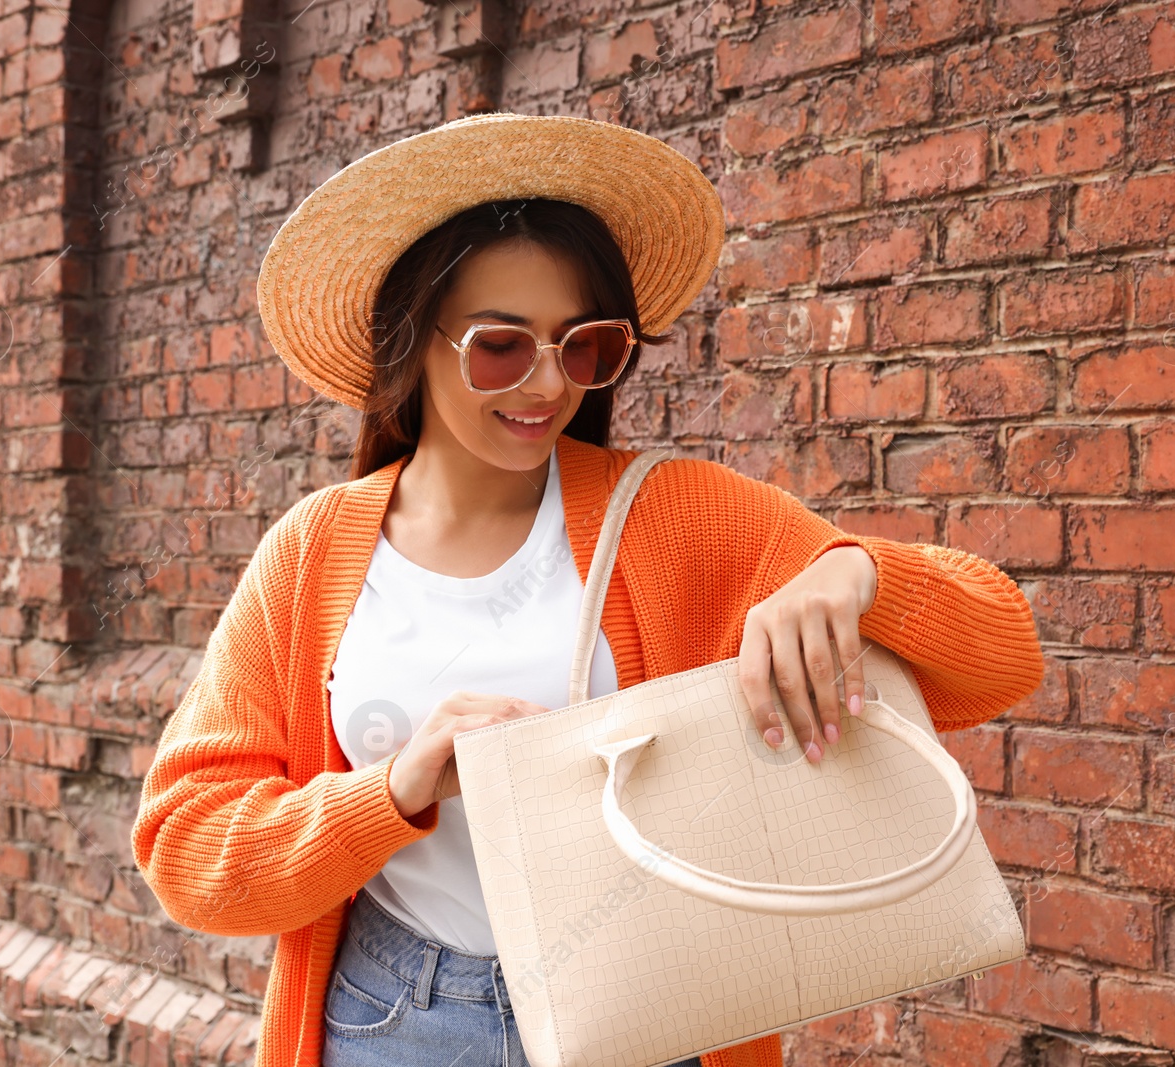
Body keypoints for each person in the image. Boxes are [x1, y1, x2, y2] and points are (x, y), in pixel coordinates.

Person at [131, 112, 1045, 1067]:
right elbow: (189, 852)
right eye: (501, 345)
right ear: (418, 338)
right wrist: (396, 790)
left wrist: (855, 573)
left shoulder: (674, 517)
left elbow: (1002, 655)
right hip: (397, 1021)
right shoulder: (313, 555)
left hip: (650, 1012)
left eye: (584, 346)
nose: (546, 383)